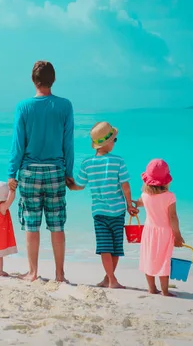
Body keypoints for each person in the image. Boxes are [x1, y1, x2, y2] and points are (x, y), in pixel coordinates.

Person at [8, 61, 74, 282]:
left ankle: (33, 272)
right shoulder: (65, 106)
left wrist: (11, 173)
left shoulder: (23, 106)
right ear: (53, 80)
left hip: (29, 172)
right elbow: (68, 143)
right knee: (57, 224)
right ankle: (60, 274)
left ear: (32, 80)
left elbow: (18, 144)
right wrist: (69, 171)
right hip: (56, 170)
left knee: (31, 223)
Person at [67, 122, 138, 289]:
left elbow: (80, 185)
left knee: (105, 247)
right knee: (115, 247)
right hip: (118, 210)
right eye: (114, 139)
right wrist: (129, 204)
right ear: (107, 142)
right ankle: (112, 280)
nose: (115, 142)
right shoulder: (118, 161)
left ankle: (108, 279)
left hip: (99, 212)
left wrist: (69, 184)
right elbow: (125, 186)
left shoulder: (87, 163)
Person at [134, 159, 184, 297]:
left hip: (149, 231)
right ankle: (165, 291)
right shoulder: (170, 196)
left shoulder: (145, 196)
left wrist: (132, 204)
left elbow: (139, 204)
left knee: (149, 258)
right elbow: (173, 217)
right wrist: (178, 235)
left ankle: (152, 288)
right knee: (164, 260)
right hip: (165, 233)